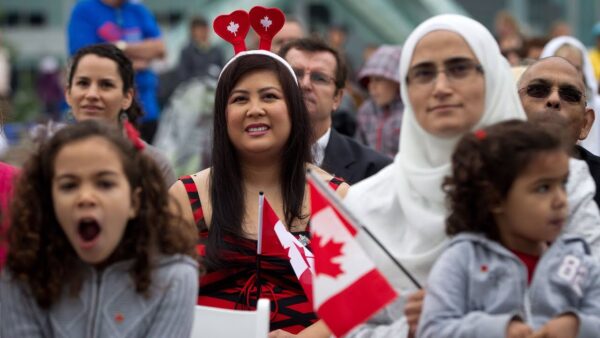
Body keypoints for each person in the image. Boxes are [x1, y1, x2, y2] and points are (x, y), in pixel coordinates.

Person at [342, 14, 531, 338]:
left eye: (459, 68)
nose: (441, 87)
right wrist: (415, 328)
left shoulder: (553, 186)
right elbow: (347, 328)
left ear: (494, 75)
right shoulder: (366, 203)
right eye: (423, 73)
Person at [169, 48, 349, 337]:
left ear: (293, 109)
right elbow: (156, 295)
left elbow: (355, 301)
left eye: (269, 96)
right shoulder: (185, 197)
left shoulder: (335, 198)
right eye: (240, 99)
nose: (255, 109)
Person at [0, 120, 198, 336]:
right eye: (69, 185)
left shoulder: (174, 278)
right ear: (49, 201)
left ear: (134, 202)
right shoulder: (22, 272)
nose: (86, 197)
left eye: (105, 184)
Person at [418, 120, 600, 338]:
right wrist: (500, 330)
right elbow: (433, 330)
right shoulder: (463, 260)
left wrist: (578, 327)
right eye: (543, 188)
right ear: (495, 199)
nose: (561, 200)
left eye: (563, 184)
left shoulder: (577, 260)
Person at [279, 37, 392, 184]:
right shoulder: (248, 154)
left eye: (319, 78)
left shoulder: (375, 171)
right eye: (295, 74)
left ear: (337, 98)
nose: (305, 84)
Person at [65, 43, 175, 186]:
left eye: (106, 85)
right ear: (68, 94)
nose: (92, 94)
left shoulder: (154, 166)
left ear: (127, 97)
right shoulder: (48, 160)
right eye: (83, 83)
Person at [67, 0, 166, 142]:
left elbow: (160, 49)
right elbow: (85, 60)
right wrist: (138, 57)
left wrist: (120, 47)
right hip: (100, 112)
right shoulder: (84, 10)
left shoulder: (138, 10)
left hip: (147, 109)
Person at [519, 56, 600, 208]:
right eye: (538, 90)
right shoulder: (485, 176)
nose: (554, 99)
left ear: (585, 124)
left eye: (569, 95)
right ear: (513, 107)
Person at [541, 36, 600, 156]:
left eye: (577, 68)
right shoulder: (537, 105)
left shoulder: (598, 106)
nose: (570, 73)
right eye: (563, 65)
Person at [356, 45, 403, 157]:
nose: (372, 86)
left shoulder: (410, 114)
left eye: (379, 79)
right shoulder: (366, 111)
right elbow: (358, 150)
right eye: (370, 80)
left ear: (396, 81)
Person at [176, 16, 224, 83]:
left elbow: (224, 71)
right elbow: (183, 76)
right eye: (200, 30)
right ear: (193, 32)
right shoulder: (187, 52)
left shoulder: (217, 50)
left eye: (205, 29)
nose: (203, 33)